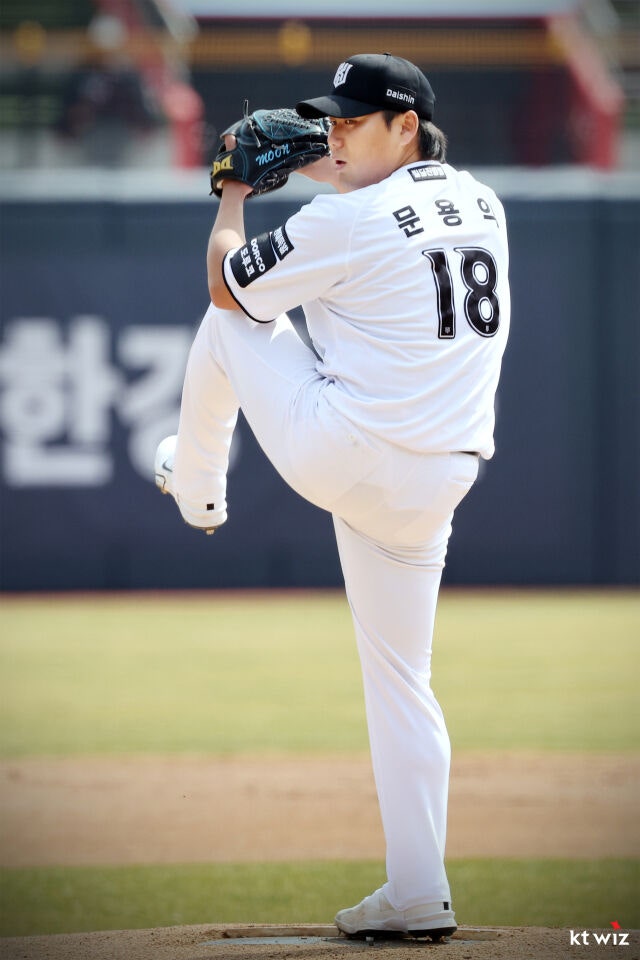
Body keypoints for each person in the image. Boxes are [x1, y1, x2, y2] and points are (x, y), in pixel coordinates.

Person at [156, 52, 510, 940]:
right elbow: (394, 204)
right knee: (403, 682)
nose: (334, 134)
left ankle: (197, 487)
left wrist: (236, 194)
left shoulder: (344, 220)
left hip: (348, 453)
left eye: (354, 121)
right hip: (440, 480)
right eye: (332, 122)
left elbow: (227, 281)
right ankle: (418, 889)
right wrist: (323, 159)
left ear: (406, 126)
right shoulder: (483, 202)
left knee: (228, 322)